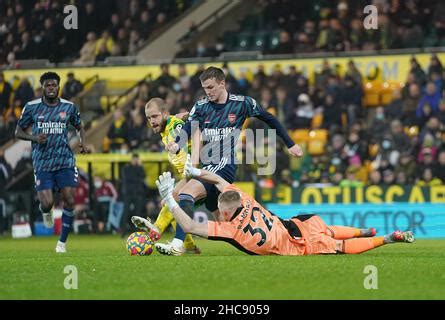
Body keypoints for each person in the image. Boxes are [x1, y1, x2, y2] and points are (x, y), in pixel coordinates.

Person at [134, 157, 414, 256]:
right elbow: (218, 179)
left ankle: (385, 239)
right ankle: (362, 231)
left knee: (336, 247)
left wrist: (171, 199)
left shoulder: (232, 230)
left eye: (221, 212)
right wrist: (194, 171)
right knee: (326, 229)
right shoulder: (246, 199)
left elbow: (191, 225)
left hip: (293, 246)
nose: (219, 214)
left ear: (227, 212)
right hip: (291, 223)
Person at [155, 66, 303, 255]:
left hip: (225, 163)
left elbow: (270, 118)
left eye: (211, 87)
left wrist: (290, 144)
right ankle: (276, 235)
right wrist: (177, 143)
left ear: (222, 83)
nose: (208, 92)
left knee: (186, 193)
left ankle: (178, 244)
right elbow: (189, 128)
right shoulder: (201, 106)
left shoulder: (242, 103)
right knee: (225, 223)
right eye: (205, 88)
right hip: (206, 164)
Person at [15, 71, 88, 253]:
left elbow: (80, 126)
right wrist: (33, 137)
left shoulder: (69, 107)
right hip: (43, 163)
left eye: (54, 85)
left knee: (69, 199)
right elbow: (18, 131)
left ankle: (61, 243)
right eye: (47, 85)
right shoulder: (31, 107)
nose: (51, 88)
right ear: (42, 88)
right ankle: (46, 211)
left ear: (58, 87)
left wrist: (82, 142)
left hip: (65, 161)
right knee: (47, 203)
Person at [131, 97, 200, 254]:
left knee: (172, 198)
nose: (152, 121)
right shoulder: (167, 127)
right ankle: (189, 246)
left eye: (155, 116)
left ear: (165, 113)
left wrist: (192, 162)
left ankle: (157, 228)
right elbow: (183, 117)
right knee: (171, 206)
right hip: (189, 174)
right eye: (149, 118)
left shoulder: (174, 126)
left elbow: (188, 135)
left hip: (198, 171)